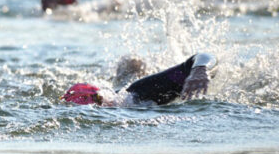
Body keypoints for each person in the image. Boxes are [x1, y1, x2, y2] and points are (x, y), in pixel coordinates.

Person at [62, 53, 216, 106]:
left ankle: (134, 66)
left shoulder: (142, 92)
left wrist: (200, 71)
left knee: (132, 66)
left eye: (97, 101)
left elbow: (204, 56)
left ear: (104, 98)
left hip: (135, 83)